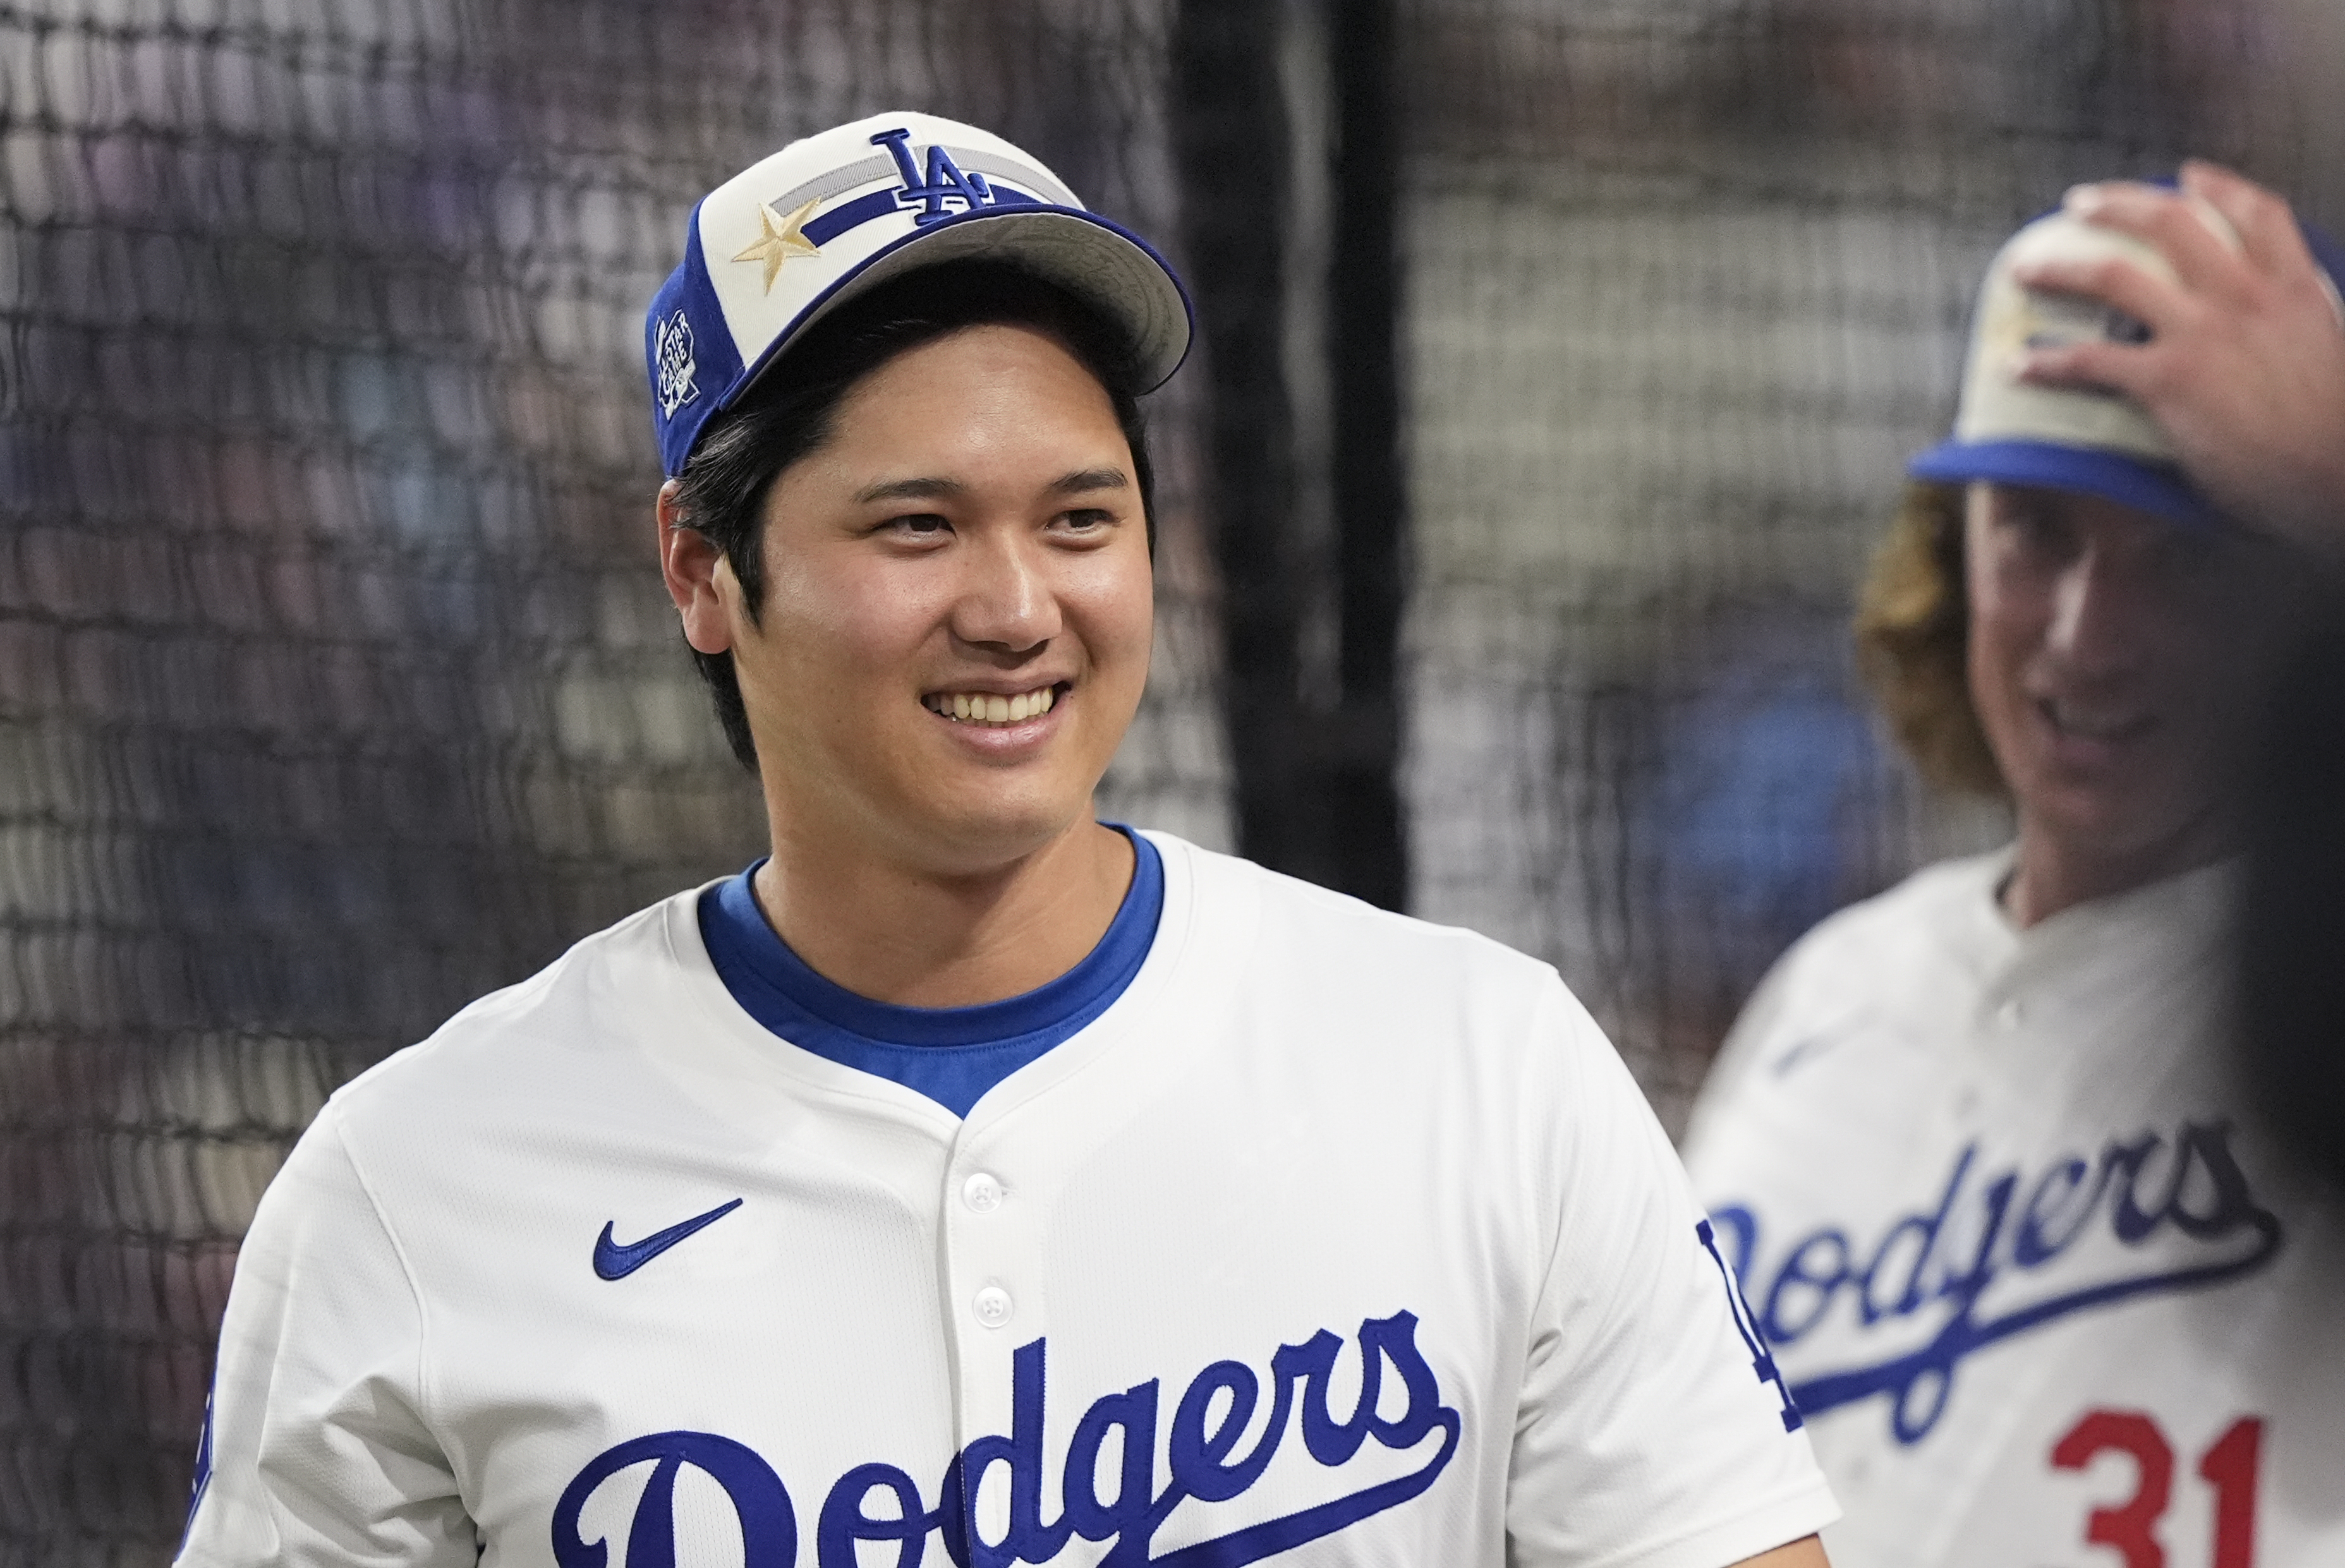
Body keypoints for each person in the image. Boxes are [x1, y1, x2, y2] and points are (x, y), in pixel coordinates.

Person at [178, 112, 1836, 1567]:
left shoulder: (1488, 1072)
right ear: (699, 567)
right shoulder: (415, 1187)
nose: (1017, 607)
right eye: (918, 525)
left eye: (1080, 518)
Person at [1680, 162, 2345, 1568]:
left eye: (2185, 560)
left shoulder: (2308, 987)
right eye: (2035, 535)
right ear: (1954, 548)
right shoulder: (1833, 993)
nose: (2085, 636)